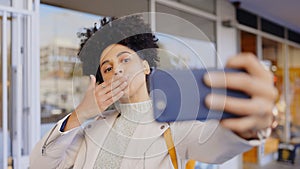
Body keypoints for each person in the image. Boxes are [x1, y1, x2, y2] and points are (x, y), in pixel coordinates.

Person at [30, 15, 278, 169]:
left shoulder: (174, 125)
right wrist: (80, 115)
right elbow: (40, 166)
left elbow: (217, 146)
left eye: (125, 60)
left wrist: (247, 124)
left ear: (146, 65)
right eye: (108, 68)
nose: (116, 71)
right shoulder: (92, 128)